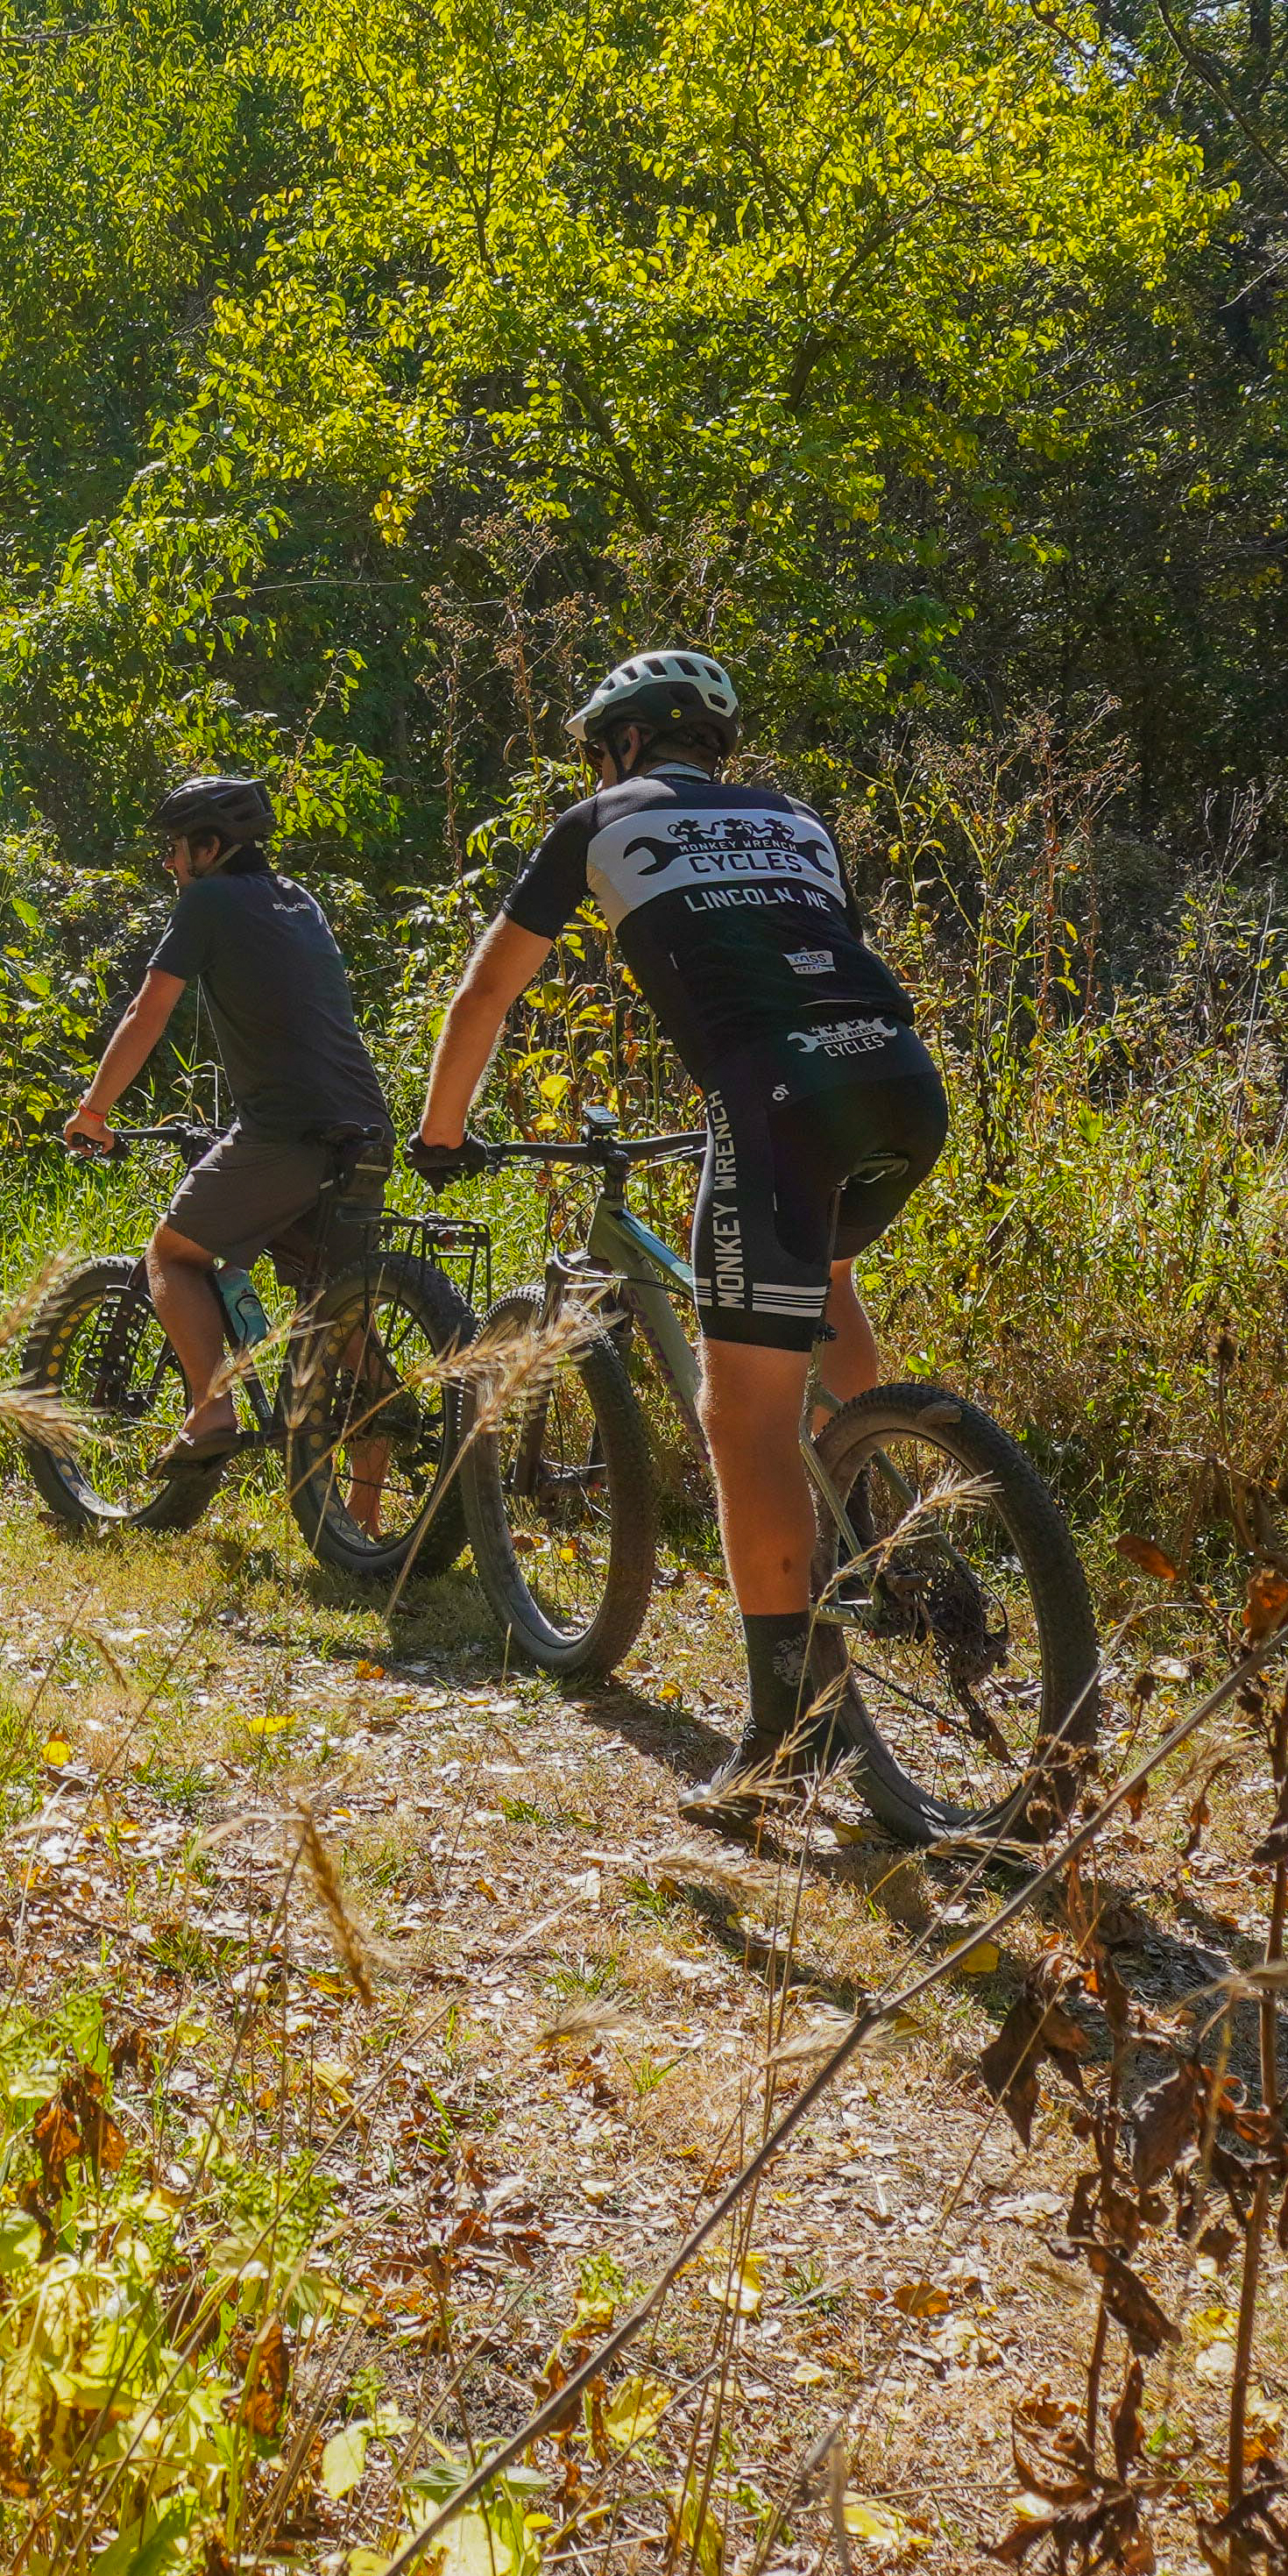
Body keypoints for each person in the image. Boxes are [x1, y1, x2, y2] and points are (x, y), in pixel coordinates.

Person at [402, 649, 949, 1824]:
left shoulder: (598, 819)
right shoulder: (797, 820)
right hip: (902, 1086)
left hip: (777, 1099)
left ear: (624, 743)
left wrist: (440, 1132)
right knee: (826, 1276)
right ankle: (877, 1519)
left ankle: (775, 1746)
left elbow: (484, 996)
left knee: (740, 1413)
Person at [60, 776, 403, 1515]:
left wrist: (94, 1110)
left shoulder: (208, 900)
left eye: (176, 848)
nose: (169, 864)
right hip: (367, 1128)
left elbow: (149, 1014)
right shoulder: (299, 901)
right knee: (338, 1313)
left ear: (210, 849)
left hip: (286, 1129)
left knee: (173, 1255)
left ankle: (212, 1410)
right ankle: (366, 1524)